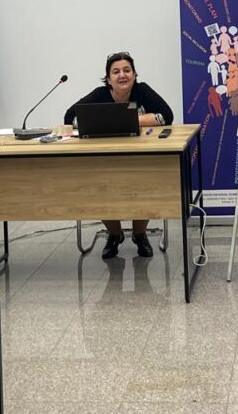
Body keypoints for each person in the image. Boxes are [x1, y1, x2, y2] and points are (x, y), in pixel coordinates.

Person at [63, 52, 174, 260]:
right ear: (108, 79)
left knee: (144, 184)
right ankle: (115, 234)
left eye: (126, 70)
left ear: (134, 74)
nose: (122, 75)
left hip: (140, 157)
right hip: (104, 158)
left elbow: (166, 116)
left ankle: (140, 234)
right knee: (98, 187)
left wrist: (126, 118)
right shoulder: (100, 94)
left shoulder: (142, 91)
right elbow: (70, 117)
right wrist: (129, 119)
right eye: (116, 72)